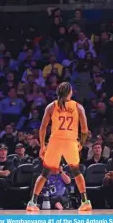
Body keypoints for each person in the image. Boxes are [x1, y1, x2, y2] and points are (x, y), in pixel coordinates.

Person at [26, 82, 92, 211]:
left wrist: (42, 145)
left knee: (45, 172)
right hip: (70, 141)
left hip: (55, 142)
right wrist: (82, 143)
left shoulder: (51, 106)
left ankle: (32, 202)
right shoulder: (78, 107)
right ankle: (85, 201)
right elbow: (84, 129)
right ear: (70, 92)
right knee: (76, 171)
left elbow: (43, 128)